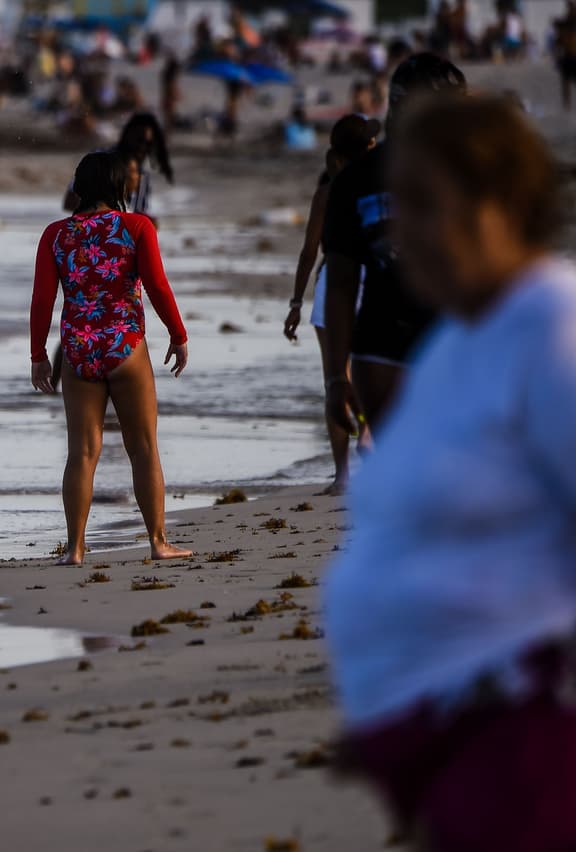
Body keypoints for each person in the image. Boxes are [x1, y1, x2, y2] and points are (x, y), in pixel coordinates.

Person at [326, 96, 576, 852]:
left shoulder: (554, 333)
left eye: (425, 205)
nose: (402, 235)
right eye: (397, 207)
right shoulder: (464, 338)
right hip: (453, 746)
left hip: (527, 744)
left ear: (498, 202)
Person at [31, 152, 192, 566]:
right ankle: (158, 542)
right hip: (125, 345)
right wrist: (178, 334)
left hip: (78, 350)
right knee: (142, 447)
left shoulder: (55, 235)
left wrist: (38, 356)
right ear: (119, 187)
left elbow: (43, 300)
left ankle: (75, 549)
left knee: (82, 452)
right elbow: (156, 285)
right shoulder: (136, 227)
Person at [321, 53, 466, 437]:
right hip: (383, 352)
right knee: (406, 475)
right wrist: (336, 377)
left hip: (460, 345)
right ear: (400, 104)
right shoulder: (356, 181)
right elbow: (340, 283)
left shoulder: (475, 175)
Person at [284, 114, 380, 494]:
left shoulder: (330, 191)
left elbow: (310, 252)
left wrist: (295, 302)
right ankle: (369, 431)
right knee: (370, 369)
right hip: (372, 283)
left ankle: (342, 475)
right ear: (365, 148)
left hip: (332, 286)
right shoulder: (381, 187)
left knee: (335, 379)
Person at [64, 112, 174, 219]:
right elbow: (69, 201)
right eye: (139, 140)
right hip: (91, 226)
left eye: (148, 143)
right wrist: (103, 208)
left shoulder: (143, 173)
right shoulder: (100, 159)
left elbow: (139, 210)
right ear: (128, 135)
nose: (143, 147)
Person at [555, 1, 576, 110]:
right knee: (566, 81)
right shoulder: (566, 23)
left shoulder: (567, 22)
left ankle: (566, 104)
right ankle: (566, 104)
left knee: (566, 81)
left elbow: (558, 41)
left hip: (570, 55)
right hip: (568, 55)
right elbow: (559, 41)